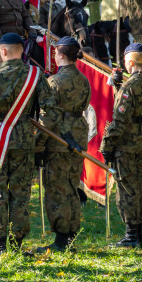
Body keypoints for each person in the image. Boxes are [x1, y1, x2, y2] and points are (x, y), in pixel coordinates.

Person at [0, 33, 59, 254]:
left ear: (3, 51)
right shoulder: (35, 76)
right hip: (25, 140)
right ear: (22, 51)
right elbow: (49, 110)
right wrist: (37, 137)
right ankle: (17, 242)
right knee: (21, 190)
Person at [33, 36, 90, 254]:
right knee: (72, 186)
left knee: (56, 188)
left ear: (61, 55)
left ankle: (61, 238)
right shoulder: (83, 79)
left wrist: (38, 145)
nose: (54, 56)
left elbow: (48, 117)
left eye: (55, 53)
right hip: (78, 132)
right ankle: (71, 232)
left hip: (58, 138)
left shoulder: (54, 82)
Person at [101, 43, 142, 248]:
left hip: (127, 141)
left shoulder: (129, 86)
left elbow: (120, 118)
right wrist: (117, 85)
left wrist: (107, 144)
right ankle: (141, 232)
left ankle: (132, 235)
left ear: (130, 62)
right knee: (140, 186)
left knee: (127, 188)